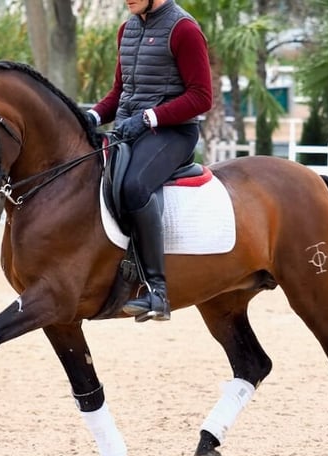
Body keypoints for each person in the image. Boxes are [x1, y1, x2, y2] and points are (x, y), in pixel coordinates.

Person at [86, 0, 212, 322]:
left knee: (133, 186)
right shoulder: (126, 29)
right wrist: (92, 114)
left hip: (173, 134)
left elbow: (202, 96)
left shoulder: (184, 29)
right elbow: (120, 91)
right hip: (130, 131)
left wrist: (149, 118)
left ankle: (157, 291)